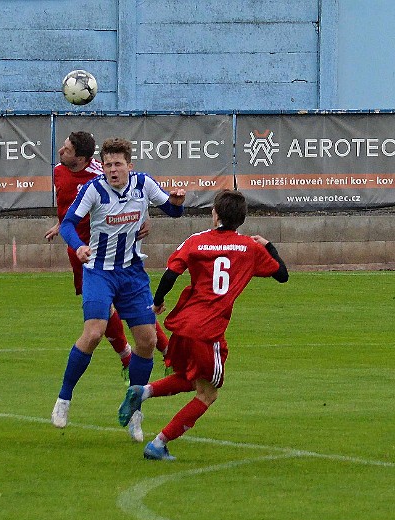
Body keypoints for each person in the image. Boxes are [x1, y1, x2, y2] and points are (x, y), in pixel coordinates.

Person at [117, 189, 288, 460]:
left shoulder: (196, 241)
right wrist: (268, 246)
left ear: (216, 214)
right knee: (208, 393)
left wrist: (159, 301)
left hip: (184, 324)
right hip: (208, 330)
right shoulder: (249, 248)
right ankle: (159, 444)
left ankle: (142, 391)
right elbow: (282, 275)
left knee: (190, 379)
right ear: (241, 219)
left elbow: (172, 272)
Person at [50, 136, 186, 442]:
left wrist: (178, 201)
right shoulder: (92, 189)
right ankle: (64, 399)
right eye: (108, 164)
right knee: (94, 331)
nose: (113, 170)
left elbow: (174, 212)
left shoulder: (143, 184)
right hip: (99, 271)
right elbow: (69, 224)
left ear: (129, 165)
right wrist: (79, 246)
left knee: (148, 341)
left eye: (118, 164)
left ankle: (135, 411)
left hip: (132, 273)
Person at [44, 132, 170, 374]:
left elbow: (131, 199)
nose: (61, 152)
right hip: (80, 250)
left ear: (81, 158)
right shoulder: (59, 171)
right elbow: (72, 209)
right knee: (102, 312)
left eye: (67, 149)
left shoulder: (98, 175)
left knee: (129, 308)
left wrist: (146, 218)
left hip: (109, 251)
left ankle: (163, 353)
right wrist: (61, 225)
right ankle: (128, 357)